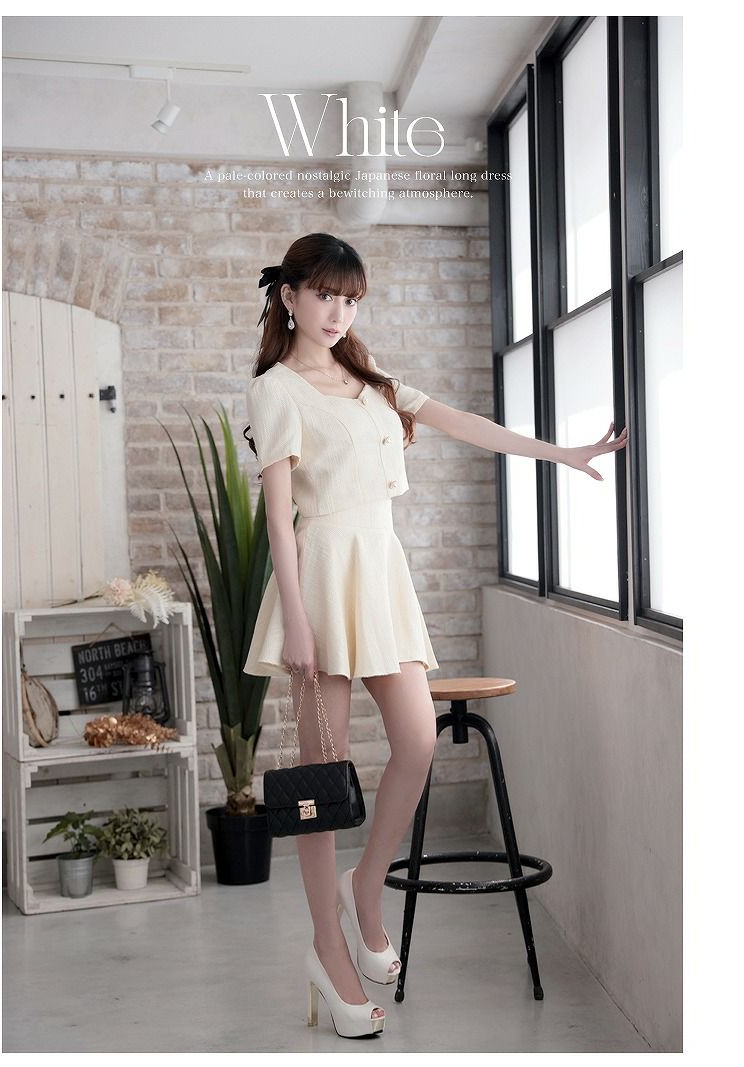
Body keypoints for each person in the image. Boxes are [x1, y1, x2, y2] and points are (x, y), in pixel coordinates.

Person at [242, 232, 628, 1039]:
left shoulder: (371, 380)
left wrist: (560, 452)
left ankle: (365, 887)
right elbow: (278, 516)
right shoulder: (276, 390)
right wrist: (298, 618)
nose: (338, 312)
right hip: (321, 579)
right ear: (290, 296)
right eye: (324, 295)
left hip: (379, 576)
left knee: (418, 742)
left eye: (350, 299)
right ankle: (327, 951)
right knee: (319, 781)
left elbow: (462, 421)